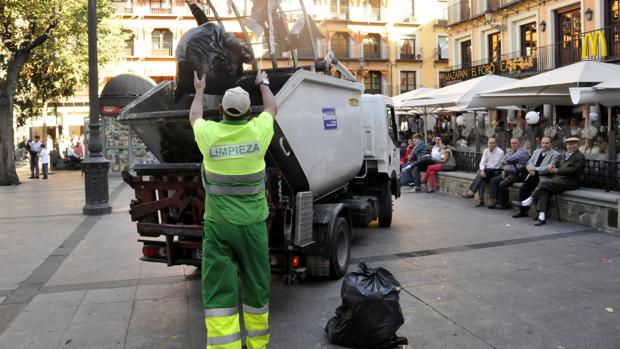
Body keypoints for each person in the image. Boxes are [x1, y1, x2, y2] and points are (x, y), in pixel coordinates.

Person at [190, 70, 276, 349]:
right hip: (253, 227)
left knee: (218, 290)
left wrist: (200, 90)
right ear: (249, 112)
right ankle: (257, 345)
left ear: (221, 110)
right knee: (256, 286)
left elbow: (194, 118)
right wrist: (262, 83)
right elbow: (273, 107)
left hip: (219, 227)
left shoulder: (209, 134)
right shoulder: (258, 131)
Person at [513, 137, 585, 226]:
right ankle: (542, 217)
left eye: (572, 144)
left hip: (570, 182)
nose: (569, 146)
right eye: (568, 144)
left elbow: (574, 170)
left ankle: (529, 200)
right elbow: (557, 164)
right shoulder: (565, 155)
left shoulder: (579, 156)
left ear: (577, 145)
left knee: (543, 184)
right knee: (544, 191)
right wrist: (552, 165)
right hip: (559, 180)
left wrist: (557, 170)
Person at [512, 137, 561, 219]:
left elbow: (549, 169)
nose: (544, 145)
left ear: (551, 144)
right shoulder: (536, 151)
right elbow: (529, 162)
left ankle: (538, 213)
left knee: (537, 189)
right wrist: (530, 168)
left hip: (544, 177)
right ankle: (523, 211)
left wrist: (535, 169)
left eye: (547, 143)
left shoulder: (556, 154)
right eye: (543, 143)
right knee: (523, 188)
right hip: (532, 175)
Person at [488, 138, 529, 209]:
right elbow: (503, 160)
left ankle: (504, 203)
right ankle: (495, 200)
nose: (513, 145)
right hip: (507, 173)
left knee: (502, 184)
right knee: (494, 180)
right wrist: (504, 168)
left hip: (517, 174)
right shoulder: (510, 151)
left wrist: (507, 160)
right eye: (512, 143)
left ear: (520, 143)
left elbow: (511, 158)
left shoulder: (523, 151)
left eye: (515, 143)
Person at [462, 137, 504, 207]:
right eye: (489, 143)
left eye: (493, 143)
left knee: (480, 174)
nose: (491, 145)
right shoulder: (486, 151)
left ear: (496, 144)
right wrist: (482, 170)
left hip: (495, 172)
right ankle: (480, 200)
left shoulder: (500, 152)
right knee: (481, 176)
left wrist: (484, 169)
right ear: (487, 143)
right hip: (487, 171)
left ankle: (472, 192)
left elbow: (495, 165)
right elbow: (482, 162)